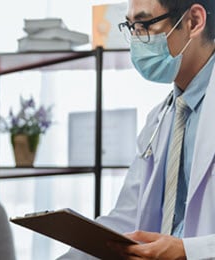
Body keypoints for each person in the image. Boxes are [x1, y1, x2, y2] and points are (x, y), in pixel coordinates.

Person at [58, 0, 215, 259]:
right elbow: (126, 221)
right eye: (130, 27)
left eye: (143, 24)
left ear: (194, 22)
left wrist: (187, 251)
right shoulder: (161, 119)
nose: (136, 40)